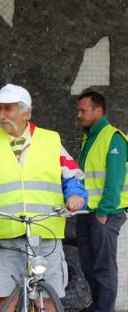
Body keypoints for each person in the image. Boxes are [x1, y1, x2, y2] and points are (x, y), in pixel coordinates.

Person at [0, 83, 87, 311]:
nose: (1, 115)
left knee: (49, 298)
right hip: (7, 232)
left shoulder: (51, 140)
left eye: (8, 109)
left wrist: (76, 196)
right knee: (5, 297)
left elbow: (73, 176)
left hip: (45, 230)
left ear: (26, 112)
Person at [75, 91, 127, 312]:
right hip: (87, 214)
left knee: (104, 269)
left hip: (105, 214)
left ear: (98, 111)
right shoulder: (89, 137)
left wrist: (103, 212)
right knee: (89, 267)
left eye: (83, 110)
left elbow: (114, 181)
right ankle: (97, 306)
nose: (79, 115)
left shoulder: (113, 137)